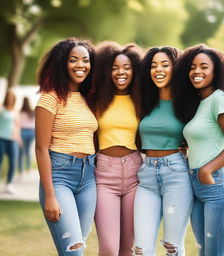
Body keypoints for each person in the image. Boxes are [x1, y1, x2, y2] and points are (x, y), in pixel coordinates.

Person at [172, 44, 224, 256]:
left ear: (216, 71)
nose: (197, 71)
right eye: (192, 67)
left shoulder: (219, 99)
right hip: (198, 188)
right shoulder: (201, 103)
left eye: (204, 66)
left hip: (218, 187)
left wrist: (206, 170)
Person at [35, 38, 98, 256]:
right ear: (62, 63)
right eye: (73, 60)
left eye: (85, 60)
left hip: (89, 177)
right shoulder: (49, 98)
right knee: (74, 251)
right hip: (59, 176)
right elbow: (41, 149)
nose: (80, 65)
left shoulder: (90, 98)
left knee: (77, 248)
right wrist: (50, 195)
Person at [133, 47, 193, 256]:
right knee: (140, 249)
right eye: (153, 65)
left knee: (173, 247)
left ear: (175, 68)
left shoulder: (187, 102)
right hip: (147, 176)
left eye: (165, 65)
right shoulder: (145, 102)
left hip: (176, 175)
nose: (158, 69)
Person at [93, 41, 143, 256]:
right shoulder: (96, 100)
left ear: (134, 71)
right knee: (109, 249)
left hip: (135, 172)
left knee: (126, 249)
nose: (120, 72)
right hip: (104, 174)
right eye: (114, 68)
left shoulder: (141, 100)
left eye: (126, 68)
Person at [0, 90, 21, 194]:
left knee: (13, 162)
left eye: (11, 97)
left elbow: (17, 125)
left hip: (13, 140)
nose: (9, 99)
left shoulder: (15, 111)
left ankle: (8, 184)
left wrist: (19, 139)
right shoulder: (1, 108)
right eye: (8, 97)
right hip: (1, 138)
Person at [18, 97, 35, 175]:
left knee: (22, 151)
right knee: (27, 151)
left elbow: (18, 124)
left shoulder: (20, 112)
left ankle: (21, 170)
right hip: (31, 132)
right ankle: (28, 168)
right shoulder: (31, 112)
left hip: (23, 131)